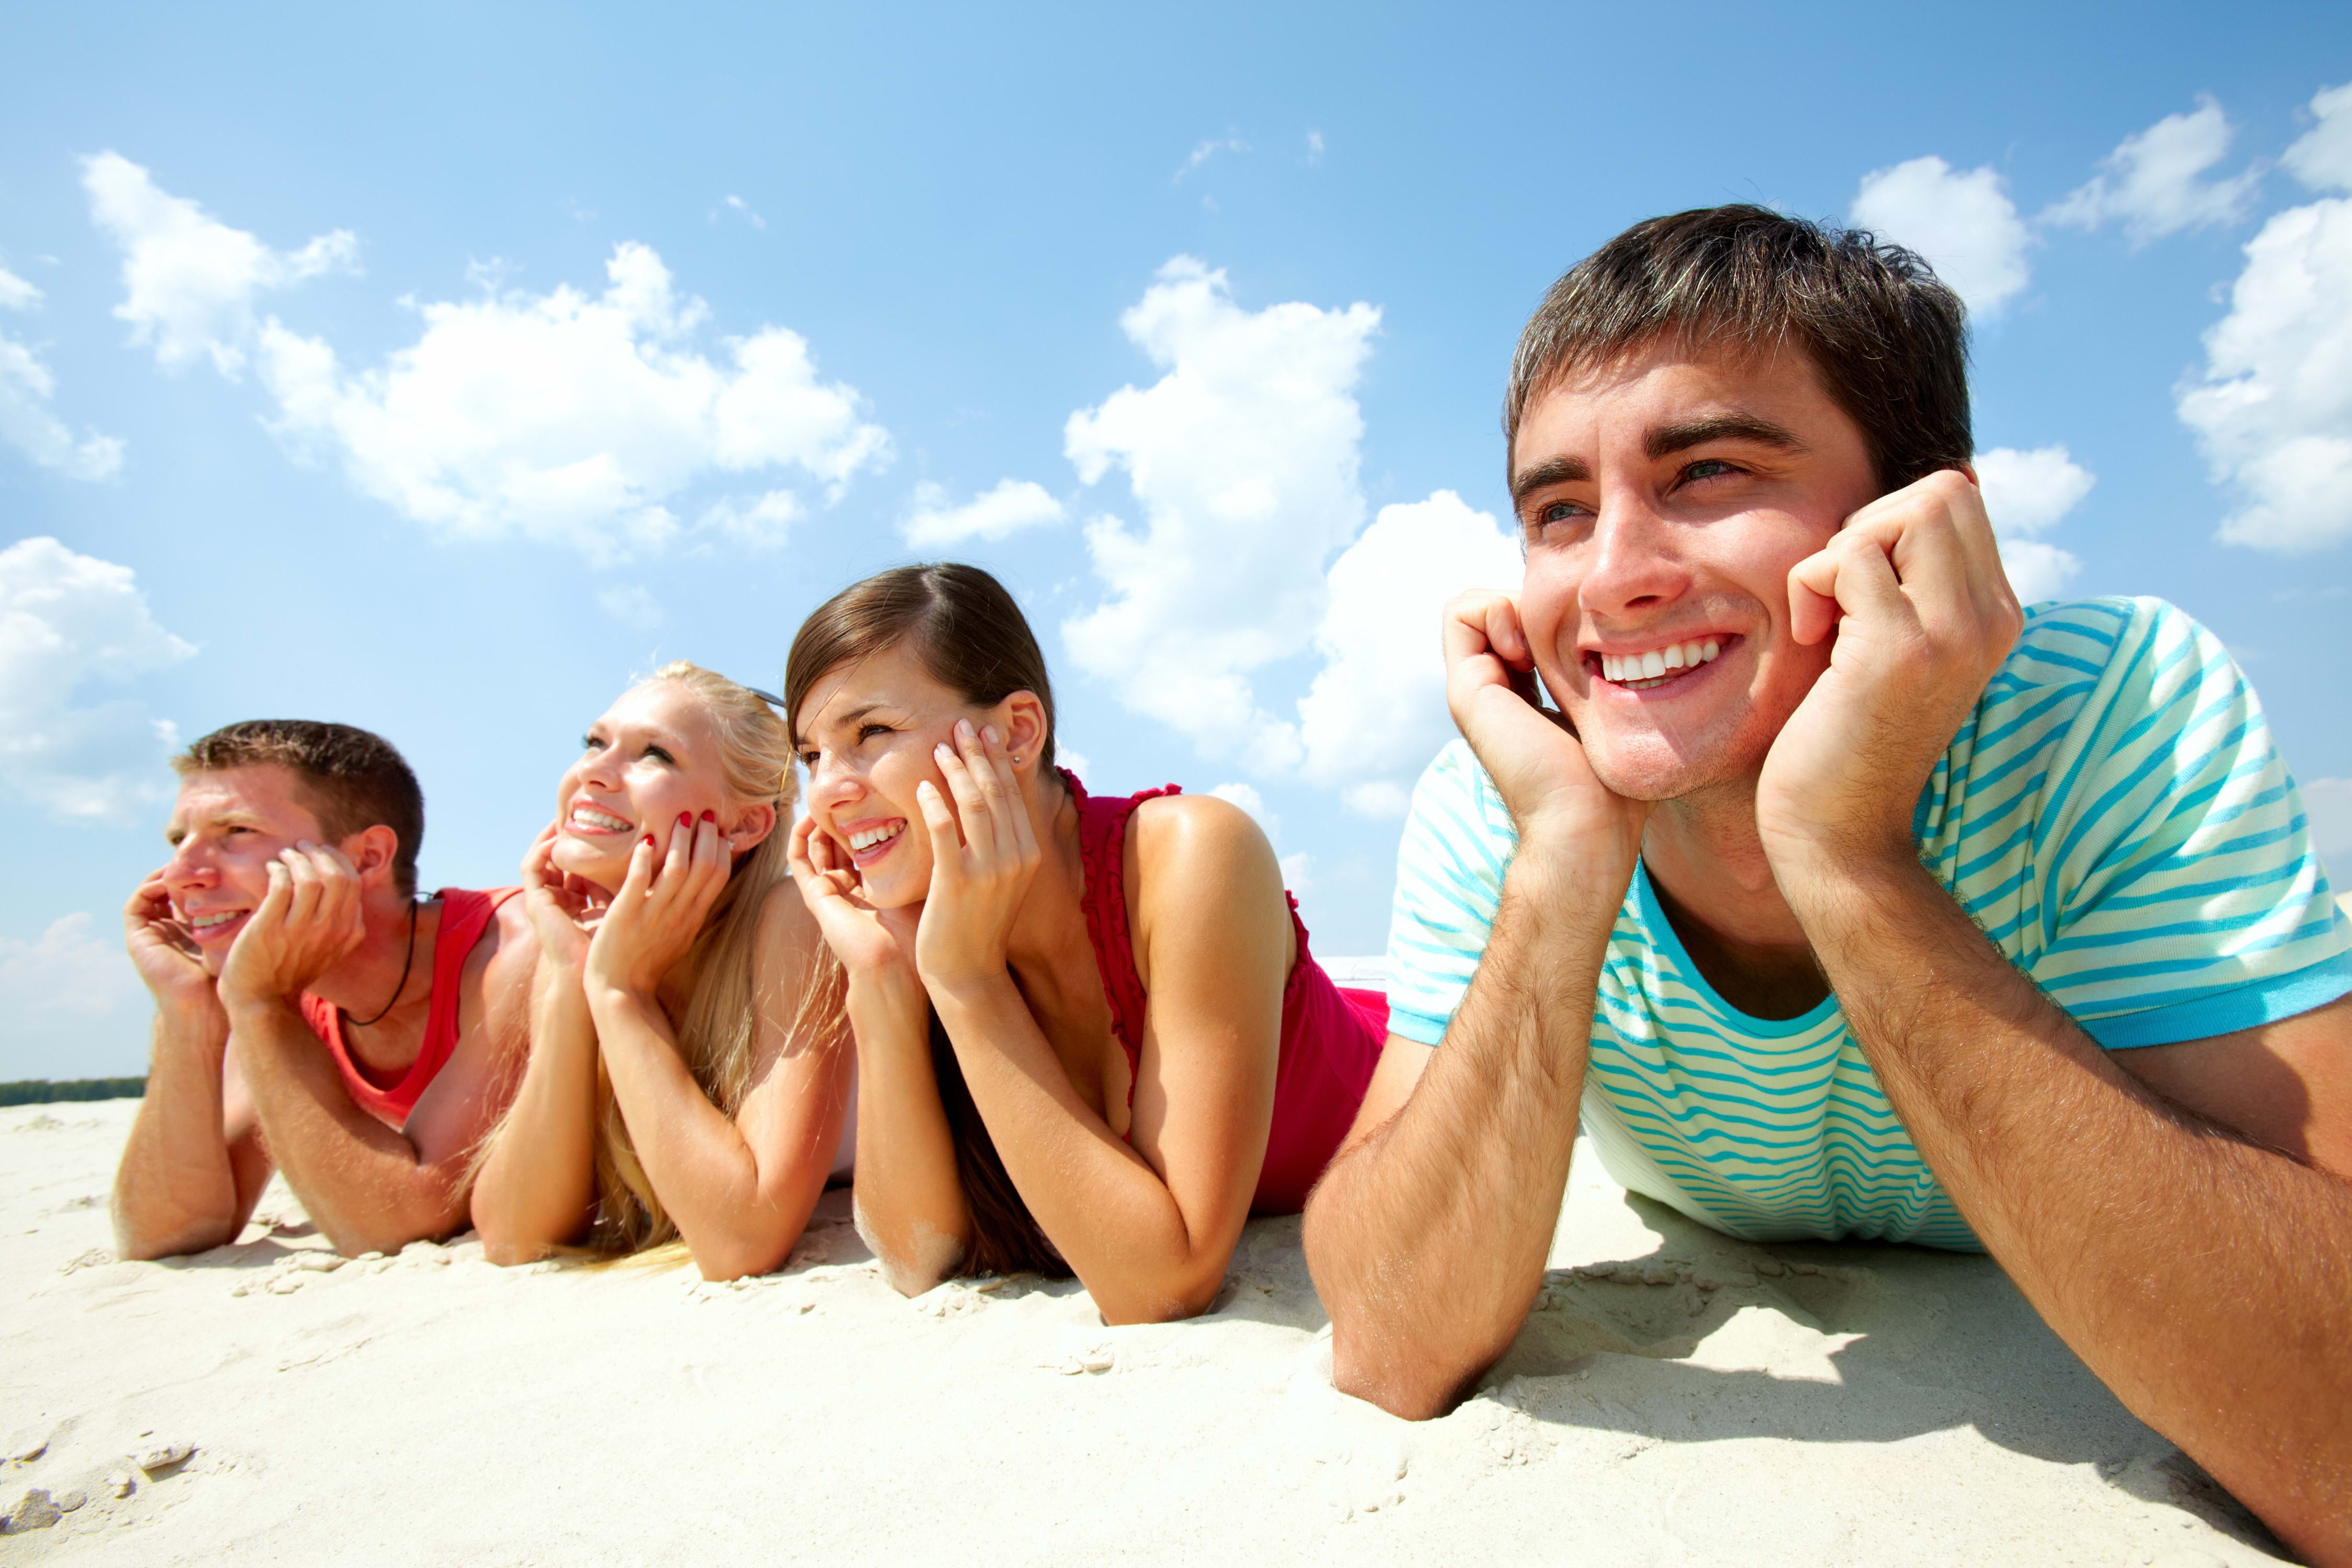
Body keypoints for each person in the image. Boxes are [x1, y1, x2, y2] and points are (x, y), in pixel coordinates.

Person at [1299, 206, 2352, 1561]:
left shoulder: (2111, 713)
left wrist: (1844, 852)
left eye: (1710, 471)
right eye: (1556, 510)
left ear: (1923, 517)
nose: (1611, 577)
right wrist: (1563, 861)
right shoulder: (1499, 800)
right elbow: (1388, 1347)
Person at [785, 563, 1383, 1322]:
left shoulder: (1191, 857)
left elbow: (1165, 1281)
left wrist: (969, 984)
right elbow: (914, 1257)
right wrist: (881, 977)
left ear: (1016, 734)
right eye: (810, 757)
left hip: (1415, 1081)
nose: (828, 789)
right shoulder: (922, 929)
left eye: (870, 733)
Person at [468, 662, 851, 1281]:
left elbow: (742, 1241)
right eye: (595, 743)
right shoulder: (581, 949)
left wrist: (622, 995)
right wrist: (576, 980)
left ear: (747, 825)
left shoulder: (792, 920)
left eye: (655, 756)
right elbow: (515, 1235)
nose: (593, 770)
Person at [112, 720, 537, 1260]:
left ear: (366, 858)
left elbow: (405, 1223)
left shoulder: (511, 947)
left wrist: (261, 1005)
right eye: (179, 841)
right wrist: (185, 1012)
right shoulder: (276, 986)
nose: (179, 875)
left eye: (236, 832)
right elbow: (166, 1233)